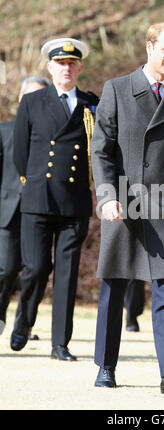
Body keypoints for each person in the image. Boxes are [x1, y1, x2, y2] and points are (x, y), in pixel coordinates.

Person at [91, 22, 164, 393]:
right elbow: (101, 150)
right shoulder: (118, 89)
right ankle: (106, 366)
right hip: (124, 201)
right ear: (149, 48)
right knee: (114, 285)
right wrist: (107, 197)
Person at [10, 38, 99, 361]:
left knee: (67, 271)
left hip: (75, 200)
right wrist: (32, 182)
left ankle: (60, 343)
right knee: (35, 267)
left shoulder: (92, 103)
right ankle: (23, 320)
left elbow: (100, 150)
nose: (67, 68)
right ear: (50, 67)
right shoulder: (33, 102)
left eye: (72, 63)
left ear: (80, 68)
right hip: (38, 197)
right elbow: (21, 152)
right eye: (61, 63)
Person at [0, 76, 49, 339]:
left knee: (37, 269)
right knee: (6, 269)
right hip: (8, 212)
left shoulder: (53, 136)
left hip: (41, 210)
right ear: (20, 100)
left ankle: (23, 324)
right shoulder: (4, 131)